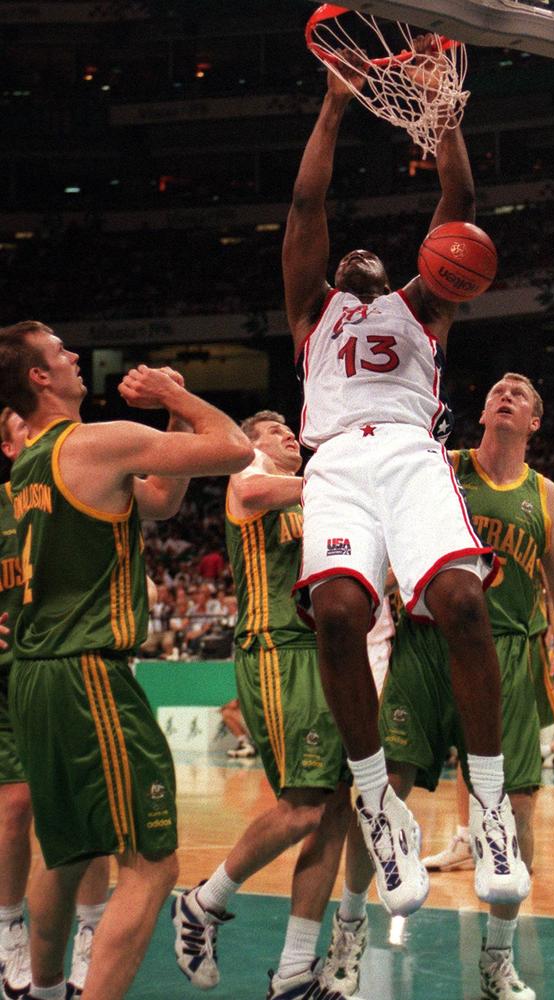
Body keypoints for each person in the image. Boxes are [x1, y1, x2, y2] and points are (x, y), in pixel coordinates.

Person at [282, 40, 528, 915]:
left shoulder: (423, 305)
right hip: (339, 463)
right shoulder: (313, 312)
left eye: (366, 258)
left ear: (404, 272)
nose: (350, 256)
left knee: (462, 603)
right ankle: (380, 807)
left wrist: (446, 114)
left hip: (413, 456)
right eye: (341, 258)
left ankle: (491, 807)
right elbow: (308, 199)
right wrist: (335, 104)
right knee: (341, 618)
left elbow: (458, 200)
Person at [0, 320, 253, 1000]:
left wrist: (170, 413)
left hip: (34, 678)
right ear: (39, 378)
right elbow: (235, 449)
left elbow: (159, 499)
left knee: (68, 850)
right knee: (153, 862)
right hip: (87, 673)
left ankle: (44, 989)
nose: (74, 354)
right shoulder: (96, 442)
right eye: (59, 351)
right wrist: (180, 392)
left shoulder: (30, 465)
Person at [335, 373, 554, 1000]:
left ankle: (497, 960)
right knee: (382, 790)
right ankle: (347, 934)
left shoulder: (548, 496)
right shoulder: (439, 468)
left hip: (508, 653)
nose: (507, 394)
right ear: (481, 411)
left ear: (534, 421)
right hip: (428, 647)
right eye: (499, 389)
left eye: (523, 393)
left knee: (516, 809)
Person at [172, 411, 356, 1000]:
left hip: (321, 649)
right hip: (276, 649)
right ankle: (203, 903)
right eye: (276, 431)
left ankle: (297, 969)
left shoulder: (307, 502)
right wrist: (337, 478)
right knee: (303, 806)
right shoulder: (247, 478)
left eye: (288, 431)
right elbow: (251, 486)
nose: (288, 438)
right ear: (252, 443)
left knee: (335, 810)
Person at [0, 407, 110, 999]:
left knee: (84, 811)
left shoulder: (74, 487)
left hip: (63, 667)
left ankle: (92, 934)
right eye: (23, 425)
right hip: (10, 680)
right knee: (16, 805)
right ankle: (8, 928)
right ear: (7, 441)